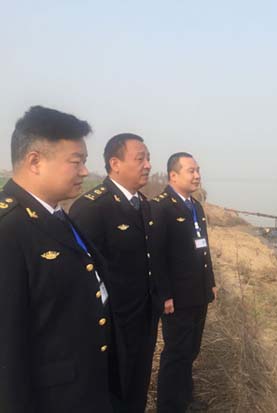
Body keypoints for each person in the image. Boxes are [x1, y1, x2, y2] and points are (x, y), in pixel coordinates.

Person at [0, 106, 116, 412]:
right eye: (76, 162)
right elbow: (7, 348)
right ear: (35, 161)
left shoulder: (56, 216)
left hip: (85, 388)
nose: (84, 172)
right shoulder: (9, 229)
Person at [70, 133, 158, 413]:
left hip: (144, 317)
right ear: (115, 163)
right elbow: (82, 276)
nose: (148, 165)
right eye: (140, 158)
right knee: (113, 394)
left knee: (137, 389)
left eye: (148, 158)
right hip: (112, 326)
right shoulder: (92, 207)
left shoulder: (144, 204)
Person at [152, 152, 217, 413]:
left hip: (198, 292)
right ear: (173, 175)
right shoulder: (161, 207)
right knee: (176, 353)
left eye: (198, 170)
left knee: (191, 349)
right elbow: (156, 256)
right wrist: (164, 294)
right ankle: (169, 406)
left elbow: (204, 249)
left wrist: (210, 282)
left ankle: (185, 397)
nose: (197, 175)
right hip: (177, 297)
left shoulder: (195, 206)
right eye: (191, 171)